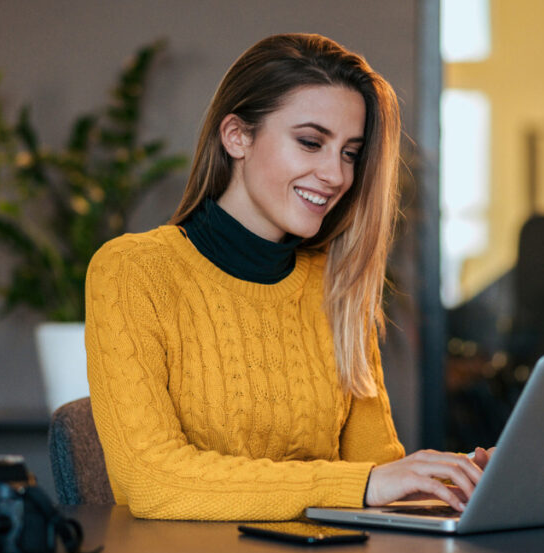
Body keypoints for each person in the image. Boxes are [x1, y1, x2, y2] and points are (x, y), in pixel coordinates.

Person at [85, 33, 492, 521]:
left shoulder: (335, 285)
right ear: (237, 136)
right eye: (310, 142)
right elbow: (150, 479)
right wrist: (360, 483)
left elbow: (375, 473)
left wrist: (459, 479)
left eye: (349, 153)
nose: (336, 175)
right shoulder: (133, 272)